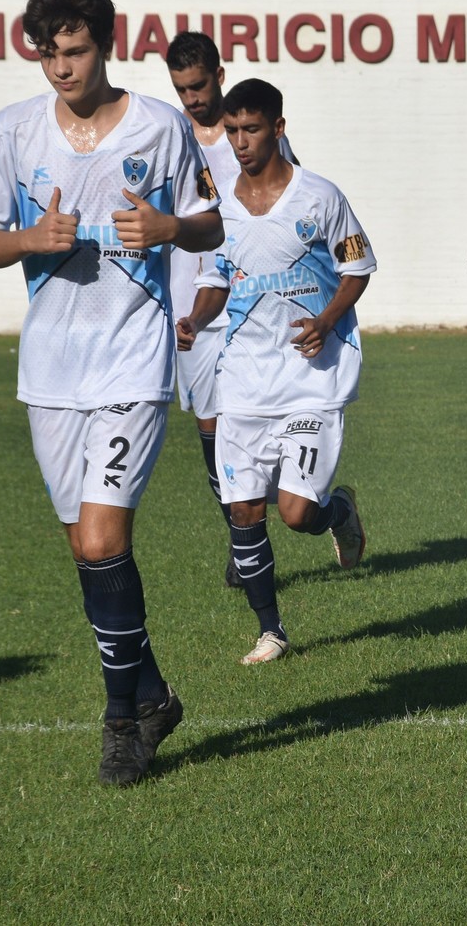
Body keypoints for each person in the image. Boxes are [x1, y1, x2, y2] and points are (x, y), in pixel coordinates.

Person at [0, 0, 221, 786]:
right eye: (49, 55)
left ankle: (121, 724)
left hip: (132, 360)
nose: (61, 69)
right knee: (85, 549)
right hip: (50, 369)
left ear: (106, 46)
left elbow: (212, 221)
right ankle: (152, 695)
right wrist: (32, 238)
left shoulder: (160, 126)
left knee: (106, 539)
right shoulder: (11, 132)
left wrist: (170, 227)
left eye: (74, 52)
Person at [177, 79, 373, 665]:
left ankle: (336, 510)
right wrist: (194, 318)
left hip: (312, 379)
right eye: (232, 130)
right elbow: (214, 282)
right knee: (243, 509)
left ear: (278, 129)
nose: (240, 142)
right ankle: (272, 631)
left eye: (252, 129)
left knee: (295, 514)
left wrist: (328, 317)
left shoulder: (319, 196)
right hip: (244, 379)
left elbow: (357, 266)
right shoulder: (219, 211)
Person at [164, 31, 298, 589]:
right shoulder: (169, 140)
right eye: (181, 90)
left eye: (199, 86)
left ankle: (323, 510)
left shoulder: (251, 134)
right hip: (189, 309)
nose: (192, 99)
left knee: (263, 443)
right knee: (212, 435)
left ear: (220, 74)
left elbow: (292, 205)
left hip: (251, 306)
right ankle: (243, 544)